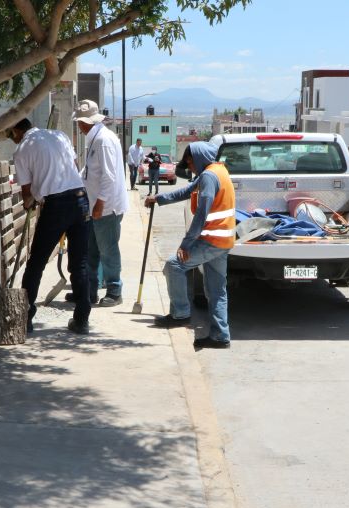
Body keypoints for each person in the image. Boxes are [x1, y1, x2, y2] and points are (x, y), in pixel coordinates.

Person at [145, 142, 234, 350]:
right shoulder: (218, 171)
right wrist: (159, 198)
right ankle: (220, 336)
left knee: (174, 265)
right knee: (216, 290)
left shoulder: (209, 177)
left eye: (190, 161)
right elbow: (187, 191)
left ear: (200, 157)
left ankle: (180, 314)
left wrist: (186, 244)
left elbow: (202, 214)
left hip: (211, 241)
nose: (189, 166)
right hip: (224, 241)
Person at [7, 118, 91, 334]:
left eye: (11, 135)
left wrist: (30, 203)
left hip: (55, 205)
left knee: (36, 263)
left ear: (18, 130)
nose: (13, 140)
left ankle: (25, 317)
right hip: (80, 198)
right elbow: (73, 168)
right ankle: (82, 320)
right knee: (79, 262)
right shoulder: (59, 135)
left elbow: (26, 193)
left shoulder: (23, 149)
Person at [73, 99, 128, 307]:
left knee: (108, 250)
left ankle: (114, 291)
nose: (78, 125)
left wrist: (99, 204)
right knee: (91, 251)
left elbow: (109, 176)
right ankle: (90, 291)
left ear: (87, 122)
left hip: (107, 207)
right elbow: (89, 172)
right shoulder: (94, 139)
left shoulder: (103, 140)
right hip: (96, 205)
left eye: (80, 121)